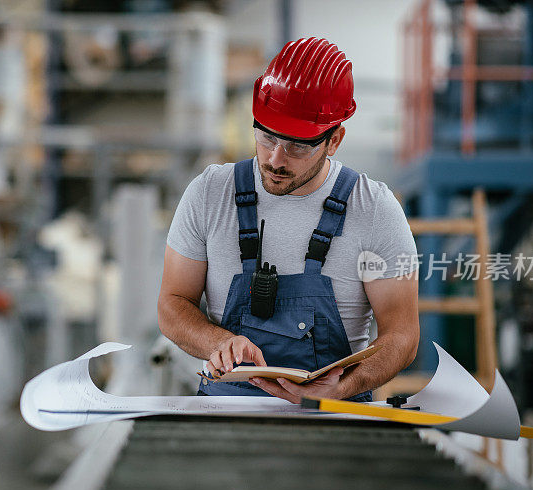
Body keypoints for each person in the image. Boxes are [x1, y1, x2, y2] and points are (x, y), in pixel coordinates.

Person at [157, 37, 419, 403]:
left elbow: (403, 338)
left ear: (335, 139)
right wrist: (219, 343)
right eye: (266, 137)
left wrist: (340, 388)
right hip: (224, 415)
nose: (276, 159)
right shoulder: (209, 193)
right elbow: (172, 303)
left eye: (299, 145)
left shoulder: (375, 209)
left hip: (333, 417)